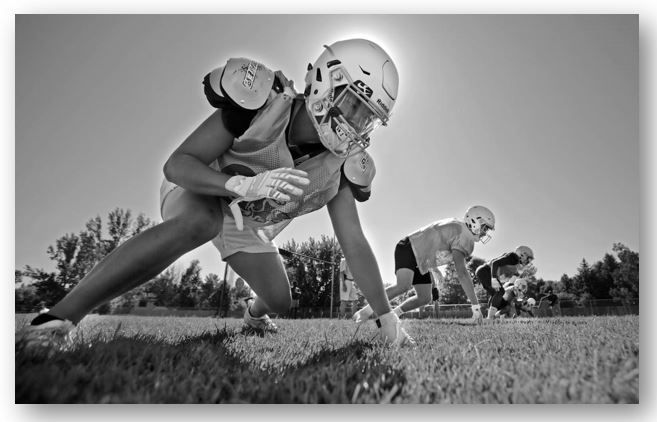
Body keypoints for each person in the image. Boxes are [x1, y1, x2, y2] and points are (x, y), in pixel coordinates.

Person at [25, 38, 413, 346]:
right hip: (201, 188)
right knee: (201, 220)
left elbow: (355, 243)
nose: (355, 124)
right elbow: (179, 163)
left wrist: (384, 315)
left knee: (280, 300)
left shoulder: (337, 166)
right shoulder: (261, 102)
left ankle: (252, 316)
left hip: (244, 219)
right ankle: (57, 318)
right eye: (354, 106)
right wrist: (238, 184)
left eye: (367, 118)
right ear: (328, 82)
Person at [352, 205, 495, 324]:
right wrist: (476, 308)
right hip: (409, 248)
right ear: (475, 222)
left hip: (420, 256)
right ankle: (365, 312)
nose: (485, 233)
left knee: (425, 297)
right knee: (403, 285)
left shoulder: (459, 228)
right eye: (485, 228)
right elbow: (462, 272)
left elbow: (433, 240)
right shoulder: (464, 235)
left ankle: (393, 315)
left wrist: (433, 268)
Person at [474, 245, 534, 319]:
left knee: (496, 295)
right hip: (485, 271)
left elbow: (509, 272)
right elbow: (495, 263)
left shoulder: (515, 263)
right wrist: (494, 277)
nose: (527, 262)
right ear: (522, 254)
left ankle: (491, 317)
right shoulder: (513, 258)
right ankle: (490, 318)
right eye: (528, 259)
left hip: (484, 271)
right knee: (500, 292)